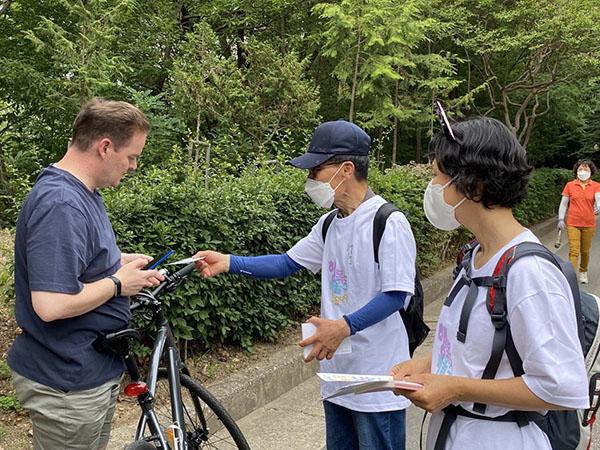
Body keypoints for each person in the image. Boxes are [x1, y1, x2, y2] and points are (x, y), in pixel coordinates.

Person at [193, 119, 417, 450]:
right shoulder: (329, 224)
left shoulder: (388, 222)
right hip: (337, 371)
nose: (310, 179)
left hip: (376, 375)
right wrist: (228, 262)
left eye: (316, 170)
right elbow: (287, 262)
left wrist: (343, 327)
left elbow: (397, 294)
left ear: (346, 169)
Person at [389, 113, 589, 450]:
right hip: (455, 435)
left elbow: (563, 387)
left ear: (474, 186)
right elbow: (479, 351)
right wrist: (427, 365)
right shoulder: (476, 256)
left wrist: (457, 388)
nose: (433, 189)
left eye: (438, 178)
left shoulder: (529, 272)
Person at [8, 98, 164, 450]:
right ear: (105, 147)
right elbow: (51, 304)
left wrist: (116, 260)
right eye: (132, 156)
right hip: (67, 382)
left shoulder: (85, 193)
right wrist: (118, 283)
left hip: (89, 370)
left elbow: (77, 258)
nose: (134, 166)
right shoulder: (61, 203)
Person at [557, 158, 600, 284]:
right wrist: (560, 219)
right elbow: (564, 204)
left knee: (585, 251)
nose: (583, 170)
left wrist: (599, 207)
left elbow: (598, 199)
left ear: (590, 171)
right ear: (576, 170)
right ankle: (572, 276)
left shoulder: (596, 186)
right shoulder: (570, 185)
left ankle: (583, 271)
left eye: (586, 168)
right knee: (574, 250)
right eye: (580, 168)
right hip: (572, 223)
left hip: (589, 223)